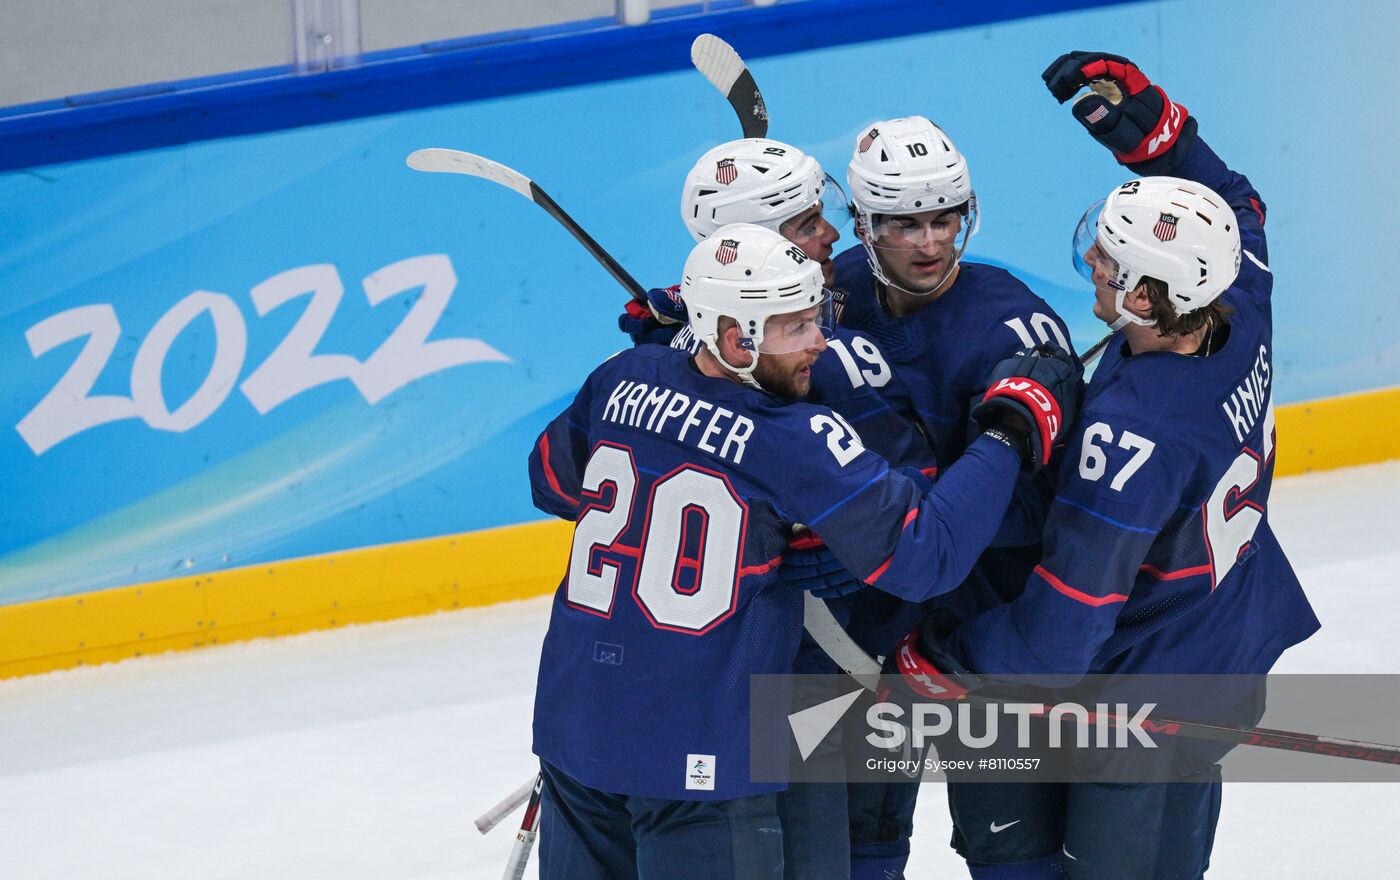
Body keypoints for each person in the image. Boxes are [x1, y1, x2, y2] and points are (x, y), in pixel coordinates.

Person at [528, 222, 1079, 880]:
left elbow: (553, 483)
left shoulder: (624, 375)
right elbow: (927, 556)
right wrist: (1011, 429)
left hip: (574, 727)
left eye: (817, 317)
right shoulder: (796, 439)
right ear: (736, 338)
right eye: (796, 328)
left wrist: (671, 366)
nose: (821, 341)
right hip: (698, 756)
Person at [889, 52, 1320, 879]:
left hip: (1139, 698)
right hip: (1224, 644)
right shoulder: (1241, 297)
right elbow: (1237, 204)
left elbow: (1067, 619)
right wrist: (1157, 134)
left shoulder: (1130, 437)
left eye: (1112, 263)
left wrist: (946, 660)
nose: (1093, 264)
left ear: (1152, 298)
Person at [820, 115, 1083, 880]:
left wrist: (924, 509)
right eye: (905, 225)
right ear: (864, 224)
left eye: (944, 219)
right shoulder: (833, 298)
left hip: (982, 626)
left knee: (1007, 842)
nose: (930, 244)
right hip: (864, 622)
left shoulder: (1009, 322)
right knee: (862, 826)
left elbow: (1051, 506)